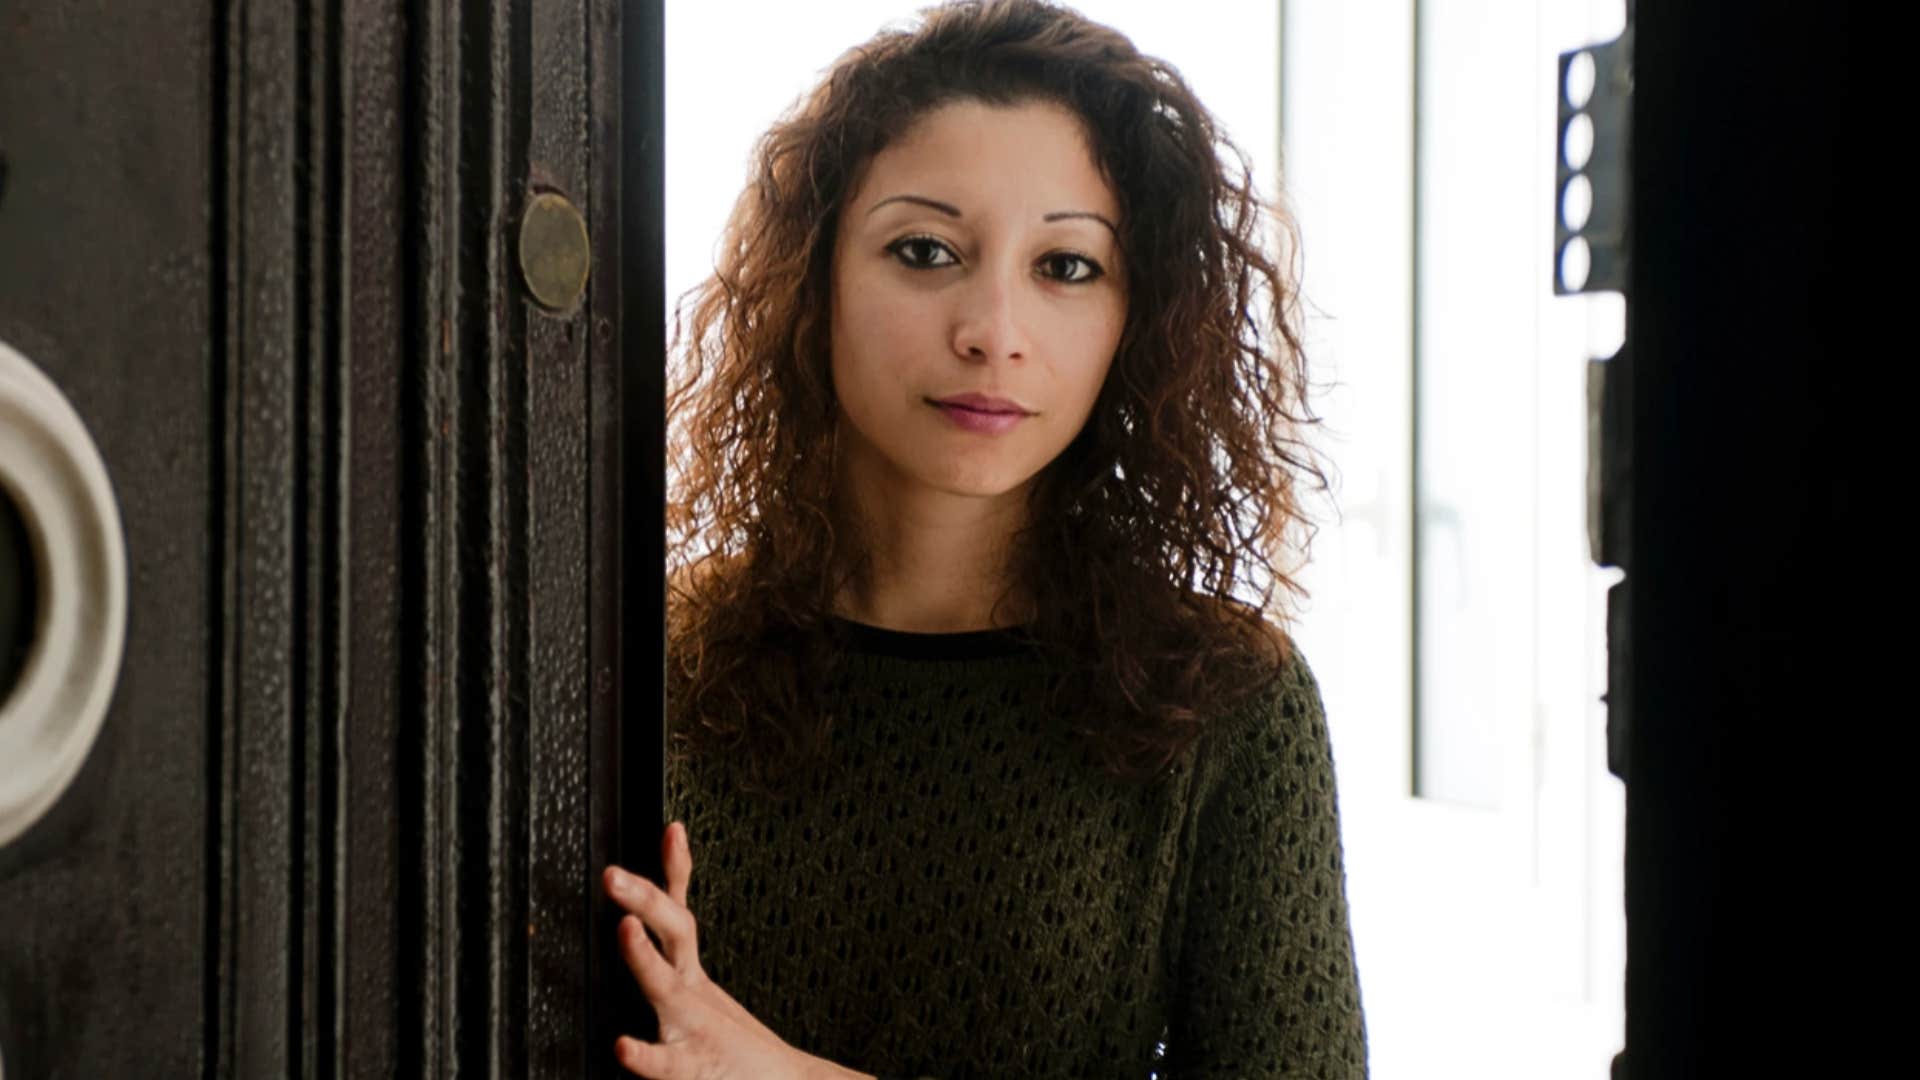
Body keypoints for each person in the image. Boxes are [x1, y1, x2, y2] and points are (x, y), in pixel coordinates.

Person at [601, 2, 1368, 1076]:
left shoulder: (1228, 706)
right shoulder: (660, 662)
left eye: (1066, 267)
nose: (993, 333)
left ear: (1135, 316)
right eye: (925, 251)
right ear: (811, 281)